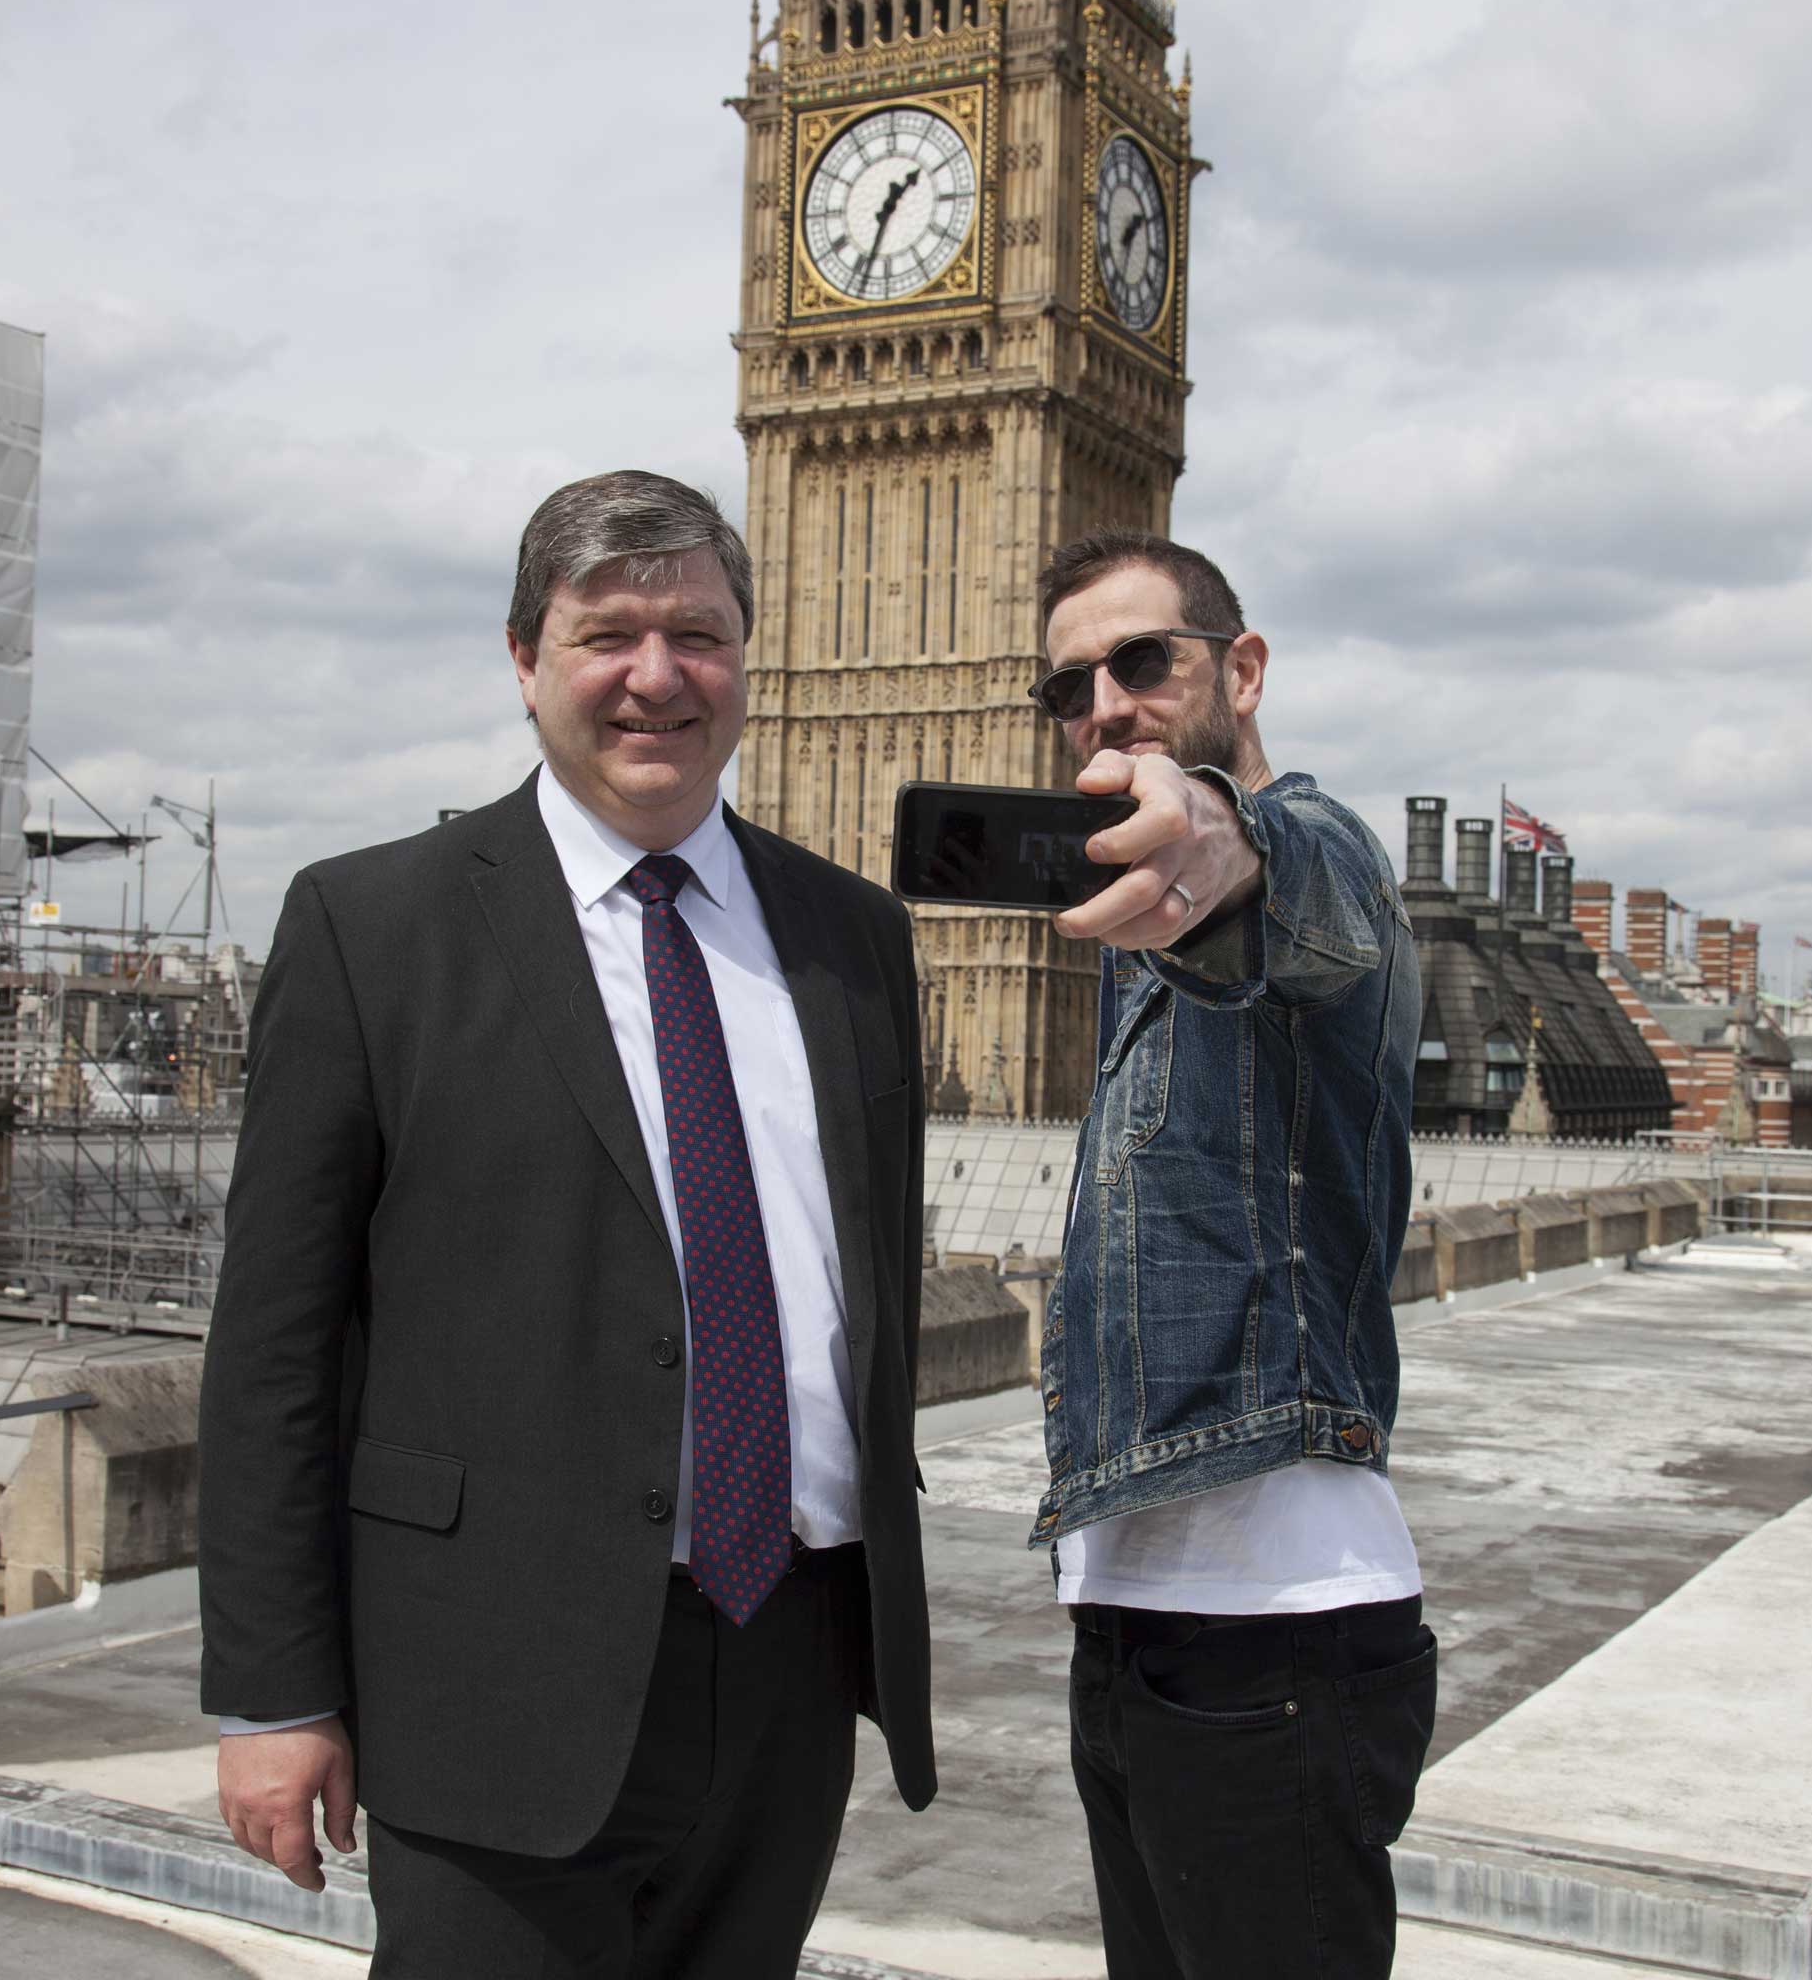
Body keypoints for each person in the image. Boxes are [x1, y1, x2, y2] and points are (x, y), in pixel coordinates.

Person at [198, 471, 936, 1979]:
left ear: (749, 663)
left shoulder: (852, 934)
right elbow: (273, 1344)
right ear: (526, 658)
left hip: (789, 1661)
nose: (657, 677)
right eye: (609, 635)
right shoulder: (372, 925)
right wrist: (276, 1696)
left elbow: (864, 1298)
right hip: (491, 1676)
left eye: (701, 636)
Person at [1024, 528, 1436, 1978]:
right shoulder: (1130, 938)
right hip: (1135, 1606)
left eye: (1145, 661)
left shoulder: (1316, 869)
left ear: (1241, 669)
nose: (1106, 704)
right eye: (1068, 686)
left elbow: (1295, 869)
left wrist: (1215, 830)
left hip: (1279, 1635)